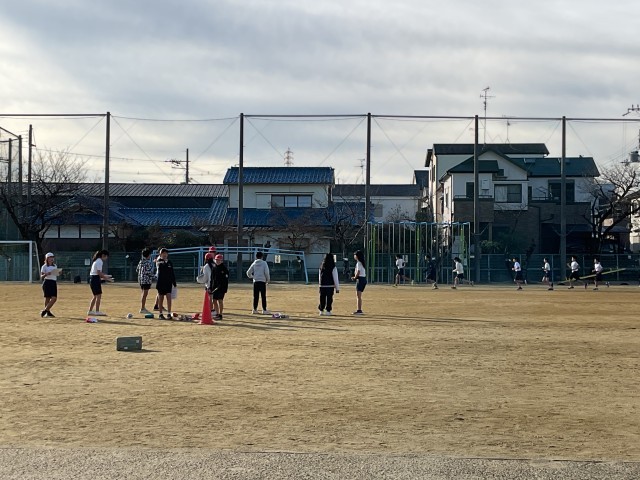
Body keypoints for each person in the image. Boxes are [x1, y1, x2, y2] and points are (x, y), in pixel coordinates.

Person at [155, 248, 177, 319]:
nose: (164, 255)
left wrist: (174, 282)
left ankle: (169, 313)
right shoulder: (159, 261)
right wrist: (163, 261)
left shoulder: (170, 262)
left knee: (169, 297)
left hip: (168, 283)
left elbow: (172, 272)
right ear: (160, 254)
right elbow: (161, 267)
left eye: (166, 253)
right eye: (163, 253)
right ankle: (160, 314)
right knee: (161, 298)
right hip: (161, 282)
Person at [88, 249, 110, 316]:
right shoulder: (99, 261)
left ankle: (90, 311)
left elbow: (97, 273)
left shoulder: (96, 261)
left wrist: (105, 276)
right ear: (103, 255)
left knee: (95, 296)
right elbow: (98, 273)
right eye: (106, 256)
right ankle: (97, 311)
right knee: (98, 296)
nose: (106, 258)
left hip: (93, 279)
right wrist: (106, 278)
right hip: (95, 279)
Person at [211, 254, 229, 320]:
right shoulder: (214, 268)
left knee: (220, 300)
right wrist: (212, 287)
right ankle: (217, 313)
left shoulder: (224, 269)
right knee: (214, 300)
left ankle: (220, 314)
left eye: (219, 260)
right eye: (216, 260)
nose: (217, 261)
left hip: (222, 288)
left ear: (222, 261)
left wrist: (222, 287)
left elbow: (225, 280)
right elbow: (212, 278)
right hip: (215, 287)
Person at [136, 247, 154, 314]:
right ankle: (142, 308)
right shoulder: (148, 263)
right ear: (148, 255)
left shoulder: (141, 261)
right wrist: (155, 277)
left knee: (143, 293)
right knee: (145, 294)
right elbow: (149, 272)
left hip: (141, 280)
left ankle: (143, 307)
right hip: (146, 280)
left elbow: (137, 270)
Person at [40, 252, 59, 317]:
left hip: (53, 282)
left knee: (54, 298)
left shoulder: (55, 266)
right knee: (47, 298)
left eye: (52, 257)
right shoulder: (44, 266)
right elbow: (41, 276)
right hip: (47, 282)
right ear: (47, 258)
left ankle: (45, 310)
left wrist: (58, 272)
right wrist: (46, 274)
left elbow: (56, 274)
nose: (51, 259)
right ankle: (47, 312)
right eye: (50, 257)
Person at [351, 250, 367, 315]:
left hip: (360, 279)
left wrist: (355, 277)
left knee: (358, 296)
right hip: (363, 279)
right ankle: (359, 309)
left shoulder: (359, 263)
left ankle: (359, 310)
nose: (354, 256)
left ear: (357, 256)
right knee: (359, 296)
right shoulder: (362, 263)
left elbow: (358, 272)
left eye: (355, 255)